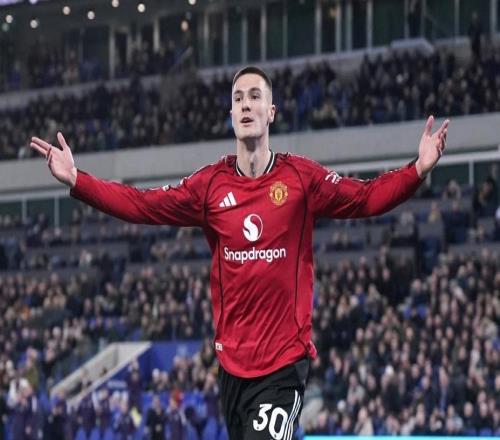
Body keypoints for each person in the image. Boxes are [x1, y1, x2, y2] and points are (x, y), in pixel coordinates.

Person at [30, 66, 449, 440]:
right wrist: (78, 181)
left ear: (271, 112)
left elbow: (365, 198)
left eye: (255, 97)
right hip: (232, 369)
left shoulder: (301, 179)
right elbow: (142, 205)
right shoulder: (209, 185)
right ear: (231, 114)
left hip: (284, 363)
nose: (246, 104)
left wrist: (417, 170)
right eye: (238, 98)